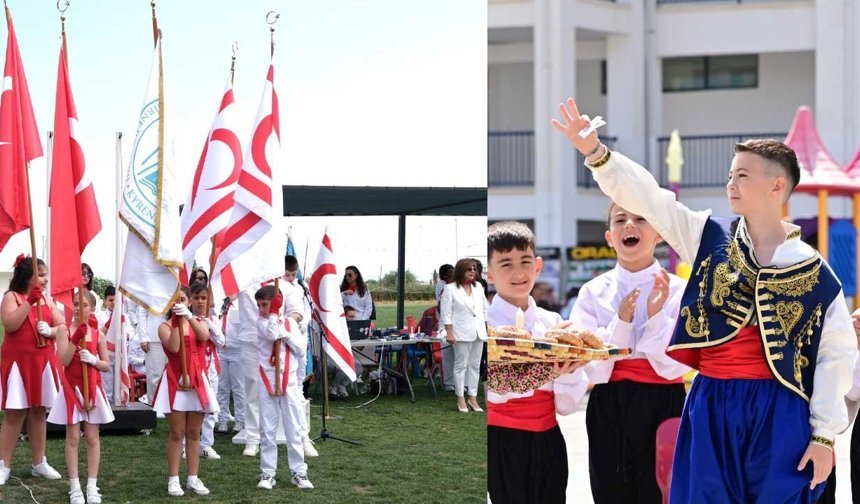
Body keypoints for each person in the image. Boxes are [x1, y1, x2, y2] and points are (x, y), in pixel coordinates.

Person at [554, 97, 857, 503]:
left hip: (781, 407)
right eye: (731, 175)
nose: (731, 183)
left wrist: (823, 435)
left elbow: (835, 356)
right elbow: (651, 199)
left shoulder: (815, 271)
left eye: (742, 175)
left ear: (777, 186)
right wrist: (596, 153)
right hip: (712, 402)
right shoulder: (708, 236)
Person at [570, 202, 690, 503]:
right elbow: (592, 367)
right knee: (610, 491)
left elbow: (677, 364)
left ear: (659, 234)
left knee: (663, 492)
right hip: (608, 403)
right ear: (610, 237)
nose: (629, 225)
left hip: (665, 402)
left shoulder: (680, 290)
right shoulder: (592, 292)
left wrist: (655, 316)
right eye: (620, 219)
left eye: (640, 218)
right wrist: (621, 323)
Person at [486, 221, 588, 504]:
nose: (518, 272)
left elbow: (566, 406)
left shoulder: (554, 323)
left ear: (538, 266)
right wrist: (544, 369)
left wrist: (568, 371)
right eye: (506, 264)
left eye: (525, 261)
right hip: (502, 440)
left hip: (549, 438)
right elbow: (493, 392)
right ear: (489, 273)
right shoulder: (485, 325)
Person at [0, 256, 65, 485]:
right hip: (18, 363)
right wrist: (29, 302)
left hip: (42, 362)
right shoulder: (11, 297)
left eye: (46, 275)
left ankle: (39, 463)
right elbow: (10, 324)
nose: (46, 279)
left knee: (38, 411)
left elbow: (62, 327)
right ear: (28, 276)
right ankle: (3, 465)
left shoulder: (47, 300)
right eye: (41, 275)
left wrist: (50, 331)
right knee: (14, 413)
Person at [151, 286, 218, 496]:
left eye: (182, 299)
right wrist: (177, 322)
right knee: (176, 433)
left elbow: (204, 336)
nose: (178, 303)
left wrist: (189, 317)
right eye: (174, 300)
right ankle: (173, 479)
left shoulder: (199, 322)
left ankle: (193, 478)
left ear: (188, 301)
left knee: (194, 433)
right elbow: (174, 347)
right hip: (175, 381)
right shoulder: (164, 326)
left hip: (197, 380)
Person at [48, 290, 114, 504]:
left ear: (92, 309)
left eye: (84, 305)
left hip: (92, 389)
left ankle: (92, 485)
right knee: (73, 437)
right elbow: (64, 361)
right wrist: (75, 339)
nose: (78, 308)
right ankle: (75, 486)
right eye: (75, 304)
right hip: (71, 389)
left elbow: (106, 365)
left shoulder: (98, 334)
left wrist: (94, 360)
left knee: (93, 437)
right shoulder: (63, 330)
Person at [253, 285, 314, 490]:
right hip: (268, 380)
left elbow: (300, 350)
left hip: (289, 382)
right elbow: (271, 334)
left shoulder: (289, 323)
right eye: (259, 305)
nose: (261, 309)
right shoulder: (261, 321)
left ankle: (299, 472)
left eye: (265, 305)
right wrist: (271, 314)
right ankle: (268, 473)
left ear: (276, 303)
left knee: (293, 427)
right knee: (267, 429)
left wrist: (287, 335)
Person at [440, 258, 488, 413]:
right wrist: (449, 332)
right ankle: (460, 397)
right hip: (460, 333)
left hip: (479, 332)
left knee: (475, 366)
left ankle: (472, 397)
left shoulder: (479, 287)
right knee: (461, 365)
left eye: (474, 269)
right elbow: (446, 314)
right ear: (461, 271)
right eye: (469, 269)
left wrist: (487, 328)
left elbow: (484, 310)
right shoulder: (450, 289)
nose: (473, 271)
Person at [282, 255, 318, 458]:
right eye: (287, 274)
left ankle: (303, 437)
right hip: (282, 343)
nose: (290, 278)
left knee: (298, 388)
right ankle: (300, 437)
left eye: (293, 274)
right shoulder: (278, 286)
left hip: (299, 342)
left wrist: (302, 322)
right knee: (290, 392)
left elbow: (307, 311)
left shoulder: (300, 287)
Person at [189, 281, 225, 460]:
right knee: (190, 408)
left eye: (204, 298)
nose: (201, 302)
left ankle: (206, 445)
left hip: (210, 370)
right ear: (190, 300)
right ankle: (185, 445)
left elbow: (221, 342)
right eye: (196, 298)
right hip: (192, 370)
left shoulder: (213, 320)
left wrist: (211, 326)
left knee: (210, 409)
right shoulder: (186, 319)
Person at [216, 294, 245, 435]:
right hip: (221, 349)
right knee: (222, 387)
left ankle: (240, 419)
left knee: (238, 387)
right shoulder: (220, 304)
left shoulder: (241, 304)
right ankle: (223, 418)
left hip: (237, 350)